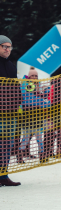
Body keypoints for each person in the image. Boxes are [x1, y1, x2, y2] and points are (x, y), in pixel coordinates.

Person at [0, 35, 22, 186]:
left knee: (7, 144)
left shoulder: (11, 65)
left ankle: (3, 176)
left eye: (10, 47)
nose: (8, 49)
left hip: (10, 112)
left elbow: (16, 88)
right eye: (4, 46)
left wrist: (17, 102)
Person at [19, 71, 51, 163]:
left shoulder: (38, 85)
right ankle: (20, 157)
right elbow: (27, 98)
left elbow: (42, 101)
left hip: (37, 115)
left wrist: (46, 99)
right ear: (29, 77)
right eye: (32, 75)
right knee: (25, 138)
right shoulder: (25, 85)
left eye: (35, 76)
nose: (34, 77)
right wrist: (42, 101)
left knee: (39, 138)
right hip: (28, 115)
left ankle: (42, 156)